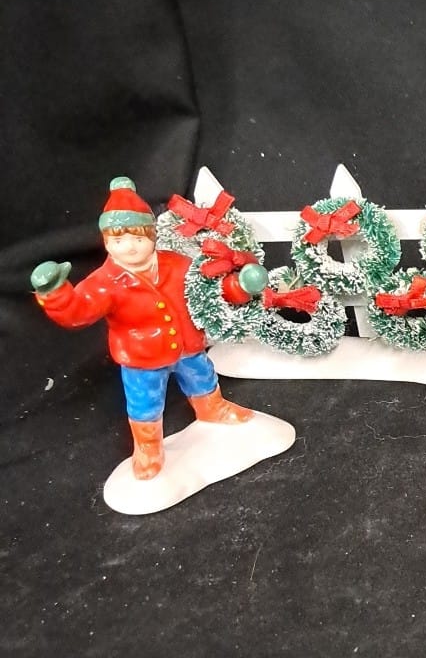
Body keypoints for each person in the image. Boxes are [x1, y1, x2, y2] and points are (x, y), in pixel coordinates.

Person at [30, 177, 261, 479]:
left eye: (138, 239)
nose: (129, 247)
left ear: (152, 236)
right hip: (142, 358)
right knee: (145, 403)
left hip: (188, 345)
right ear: (107, 242)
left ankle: (212, 409)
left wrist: (238, 286)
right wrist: (56, 295)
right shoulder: (104, 283)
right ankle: (148, 447)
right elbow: (78, 311)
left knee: (202, 377)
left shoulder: (178, 264)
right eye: (119, 240)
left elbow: (209, 290)